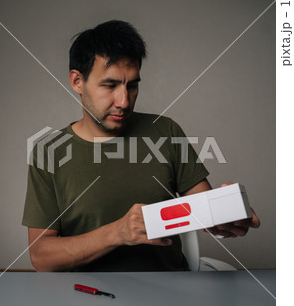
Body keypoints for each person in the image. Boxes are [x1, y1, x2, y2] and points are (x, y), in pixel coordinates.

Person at [22, 20, 260, 272]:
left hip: (170, 295)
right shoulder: (50, 151)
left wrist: (227, 213)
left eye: (132, 85)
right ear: (77, 81)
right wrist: (117, 233)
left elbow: (204, 212)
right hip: (87, 297)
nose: (124, 101)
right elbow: (41, 257)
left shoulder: (165, 131)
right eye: (110, 85)